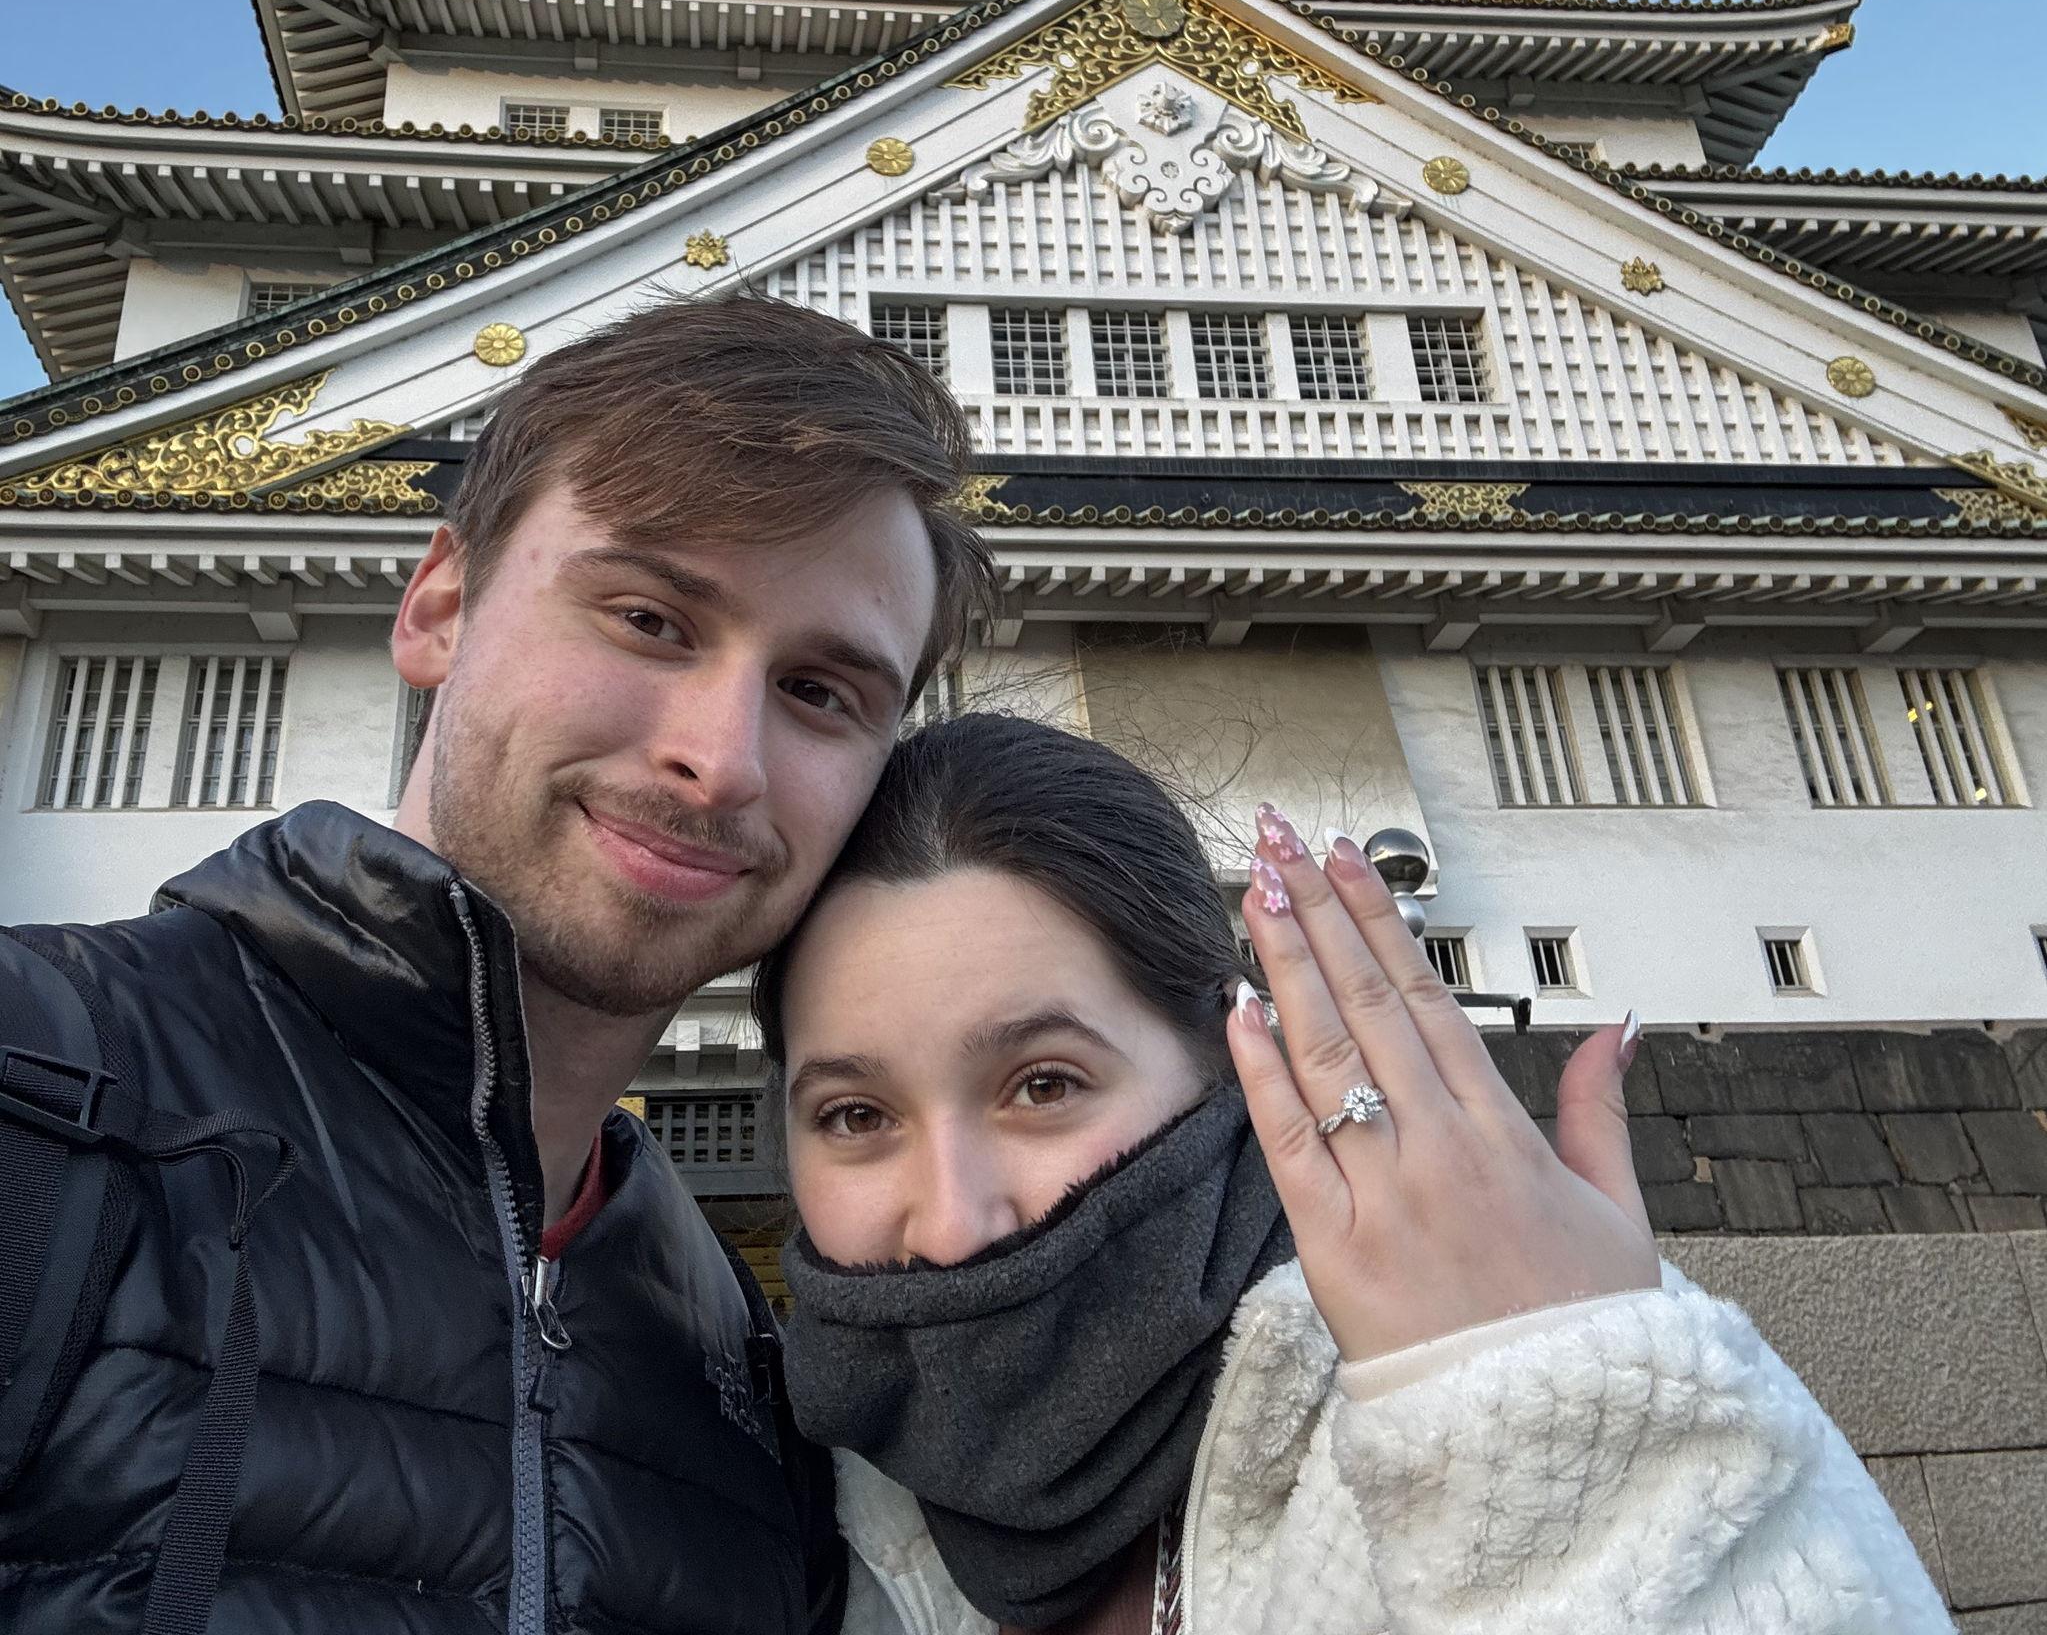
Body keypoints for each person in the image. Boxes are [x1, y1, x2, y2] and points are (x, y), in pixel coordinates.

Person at [0, 294, 992, 1634]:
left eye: (820, 694)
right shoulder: (45, 1090)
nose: (722, 759)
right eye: (647, 618)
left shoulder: (750, 1370)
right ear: (441, 604)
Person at [753, 713, 1948, 1635]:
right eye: (856, 1113)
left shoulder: (1526, 1365)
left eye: (1045, 1084)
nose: (957, 1223)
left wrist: (1558, 1433)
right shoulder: (817, 1493)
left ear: (1224, 1065)